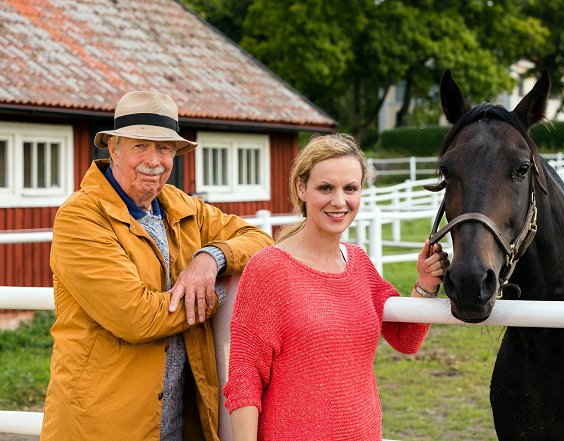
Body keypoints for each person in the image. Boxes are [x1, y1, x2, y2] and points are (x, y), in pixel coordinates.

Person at [41, 91, 273, 441]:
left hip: (177, 419)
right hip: (103, 423)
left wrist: (210, 258)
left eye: (164, 148)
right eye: (140, 146)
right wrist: (218, 292)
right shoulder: (81, 217)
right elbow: (135, 317)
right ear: (114, 148)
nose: (154, 160)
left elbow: (257, 238)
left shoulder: (177, 203)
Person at [222, 133, 449, 441]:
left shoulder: (359, 263)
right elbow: (244, 379)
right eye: (325, 188)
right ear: (302, 188)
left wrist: (425, 284)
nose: (339, 201)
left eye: (350, 188)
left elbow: (406, 339)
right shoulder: (269, 269)